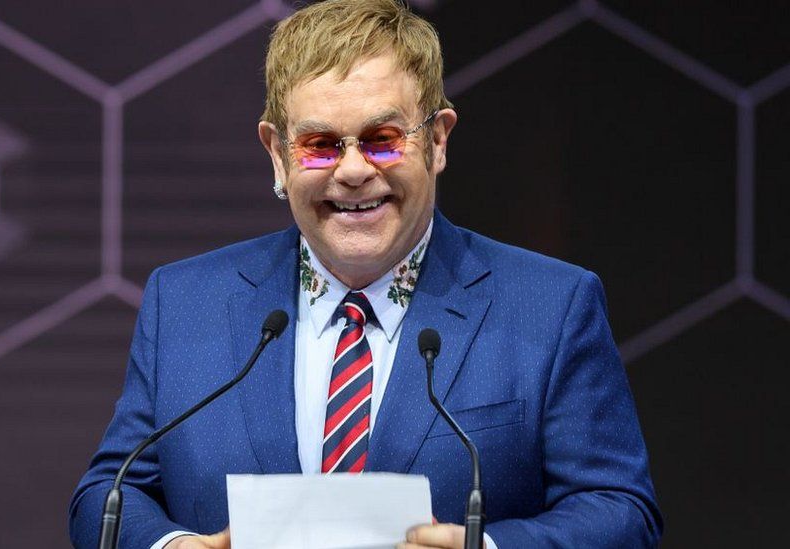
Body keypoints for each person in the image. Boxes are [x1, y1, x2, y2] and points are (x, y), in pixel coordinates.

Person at [69, 1, 663, 547]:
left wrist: (485, 547)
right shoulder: (184, 302)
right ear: (277, 154)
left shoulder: (552, 305)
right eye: (320, 145)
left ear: (436, 140)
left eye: (382, 140)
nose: (352, 172)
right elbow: (109, 495)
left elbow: (620, 511)